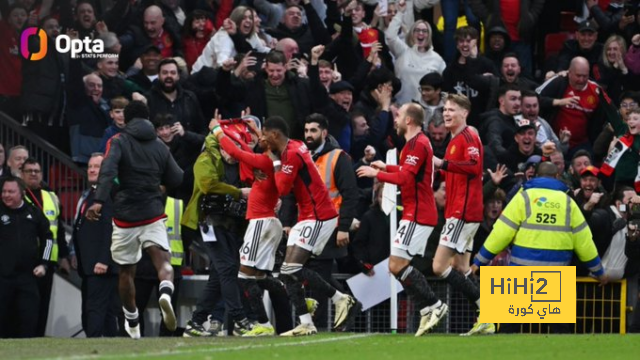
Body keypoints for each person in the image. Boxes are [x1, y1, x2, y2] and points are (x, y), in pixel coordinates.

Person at [86, 101, 184, 339]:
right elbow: (178, 177)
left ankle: (132, 319)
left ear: (127, 120)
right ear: (147, 119)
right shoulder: (160, 145)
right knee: (163, 263)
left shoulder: (118, 141)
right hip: (152, 213)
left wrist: (98, 200)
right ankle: (165, 292)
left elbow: (108, 170)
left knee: (126, 272)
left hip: (125, 217)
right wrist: (158, 184)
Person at [262, 116, 361, 336]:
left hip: (321, 217)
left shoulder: (302, 154)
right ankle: (307, 322)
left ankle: (340, 300)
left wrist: (274, 160)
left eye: (313, 130)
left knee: (297, 270)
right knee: (288, 273)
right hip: (305, 217)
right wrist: (288, 222)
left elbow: (284, 189)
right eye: (306, 130)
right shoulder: (297, 149)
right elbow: (291, 194)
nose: (308, 135)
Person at [357, 103, 446, 336]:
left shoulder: (417, 144)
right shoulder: (416, 144)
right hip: (416, 213)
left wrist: (378, 174)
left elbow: (406, 178)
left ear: (409, 120)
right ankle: (429, 307)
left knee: (396, 265)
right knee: (398, 266)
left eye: (398, 116)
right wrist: (386, 165)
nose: (395, 120)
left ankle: (434, 305)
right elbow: (409, 171)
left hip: (418, 214)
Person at [209, 114, 293, 336]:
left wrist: (217, 130)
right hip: (268, 222)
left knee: (243, 276)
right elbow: (261, 147)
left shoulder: (265, 161)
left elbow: (236, 152)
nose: (259, 137)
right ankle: (298, 298)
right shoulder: (274, 158)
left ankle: (263, 324)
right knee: (260, 276)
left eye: (264, 134)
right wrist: (256, 132)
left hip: (260, 223)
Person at [472, 161, 608, 281]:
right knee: (550, 311)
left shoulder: (523, 198)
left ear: (536, 176)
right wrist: (599, 272)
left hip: (520, 276)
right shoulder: (568, 203)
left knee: (516, 311)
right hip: (557, 278)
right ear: (557, 177)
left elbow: (500, 234)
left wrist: (478, 263)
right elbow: (584, 242)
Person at [433, 94, 492, 336]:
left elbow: (474, 167)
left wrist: (442, 164)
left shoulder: (468, 137)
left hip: (463, 212)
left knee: (438, 266)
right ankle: (487, 316)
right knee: (461, 266)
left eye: (452, 110)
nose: (446, 114)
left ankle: (484, 310)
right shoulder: (455, 139)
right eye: (445, 110)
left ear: (465, 113)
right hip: (460, 211)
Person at [71, 153, 119, 338]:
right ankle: (109, 347)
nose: (91, 170)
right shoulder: (92, 193)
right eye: (90, 166)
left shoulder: (106, 194)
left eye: (96, 167)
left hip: (100, 265)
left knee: (94, 310)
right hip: (89, 264)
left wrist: (103, 260)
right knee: (104, 311)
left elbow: (110, 229)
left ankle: (93, 347)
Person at [0, 176, 54, 338]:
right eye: (4, 191)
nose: (6, 195)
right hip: (2, 278)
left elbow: (48, 238)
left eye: (11, 191)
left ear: (22, 193)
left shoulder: (34, 213)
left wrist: (44, 264)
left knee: (29, 321)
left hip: (28, 277)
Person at [21, 158, 69, 336]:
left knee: (43, 303)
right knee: (25, 305)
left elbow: (60, 229)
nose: (34, 174)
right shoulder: (16, 195)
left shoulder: (51, 196)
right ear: (21, 174)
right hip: (25, 260)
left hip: (48, 260)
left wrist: (64, 256)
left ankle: (39, 338)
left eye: (37, 171)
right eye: (29, 171)